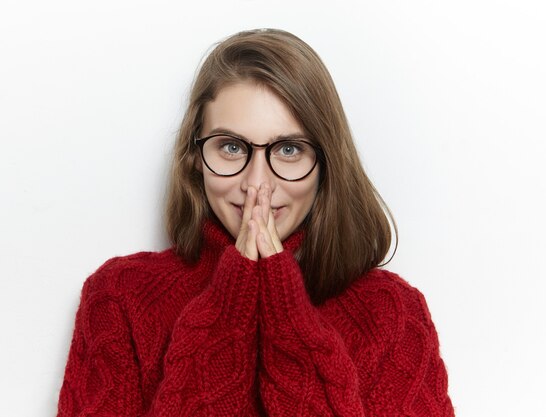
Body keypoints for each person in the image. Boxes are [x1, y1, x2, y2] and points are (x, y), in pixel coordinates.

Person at [56, 29, 454, 416]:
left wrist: (288, 319)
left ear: (325, 164)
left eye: (288, 149)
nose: (257, 184)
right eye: (231, 147)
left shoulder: (391, 314)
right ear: (195, 156)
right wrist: (227, 310)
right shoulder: (119, 298)